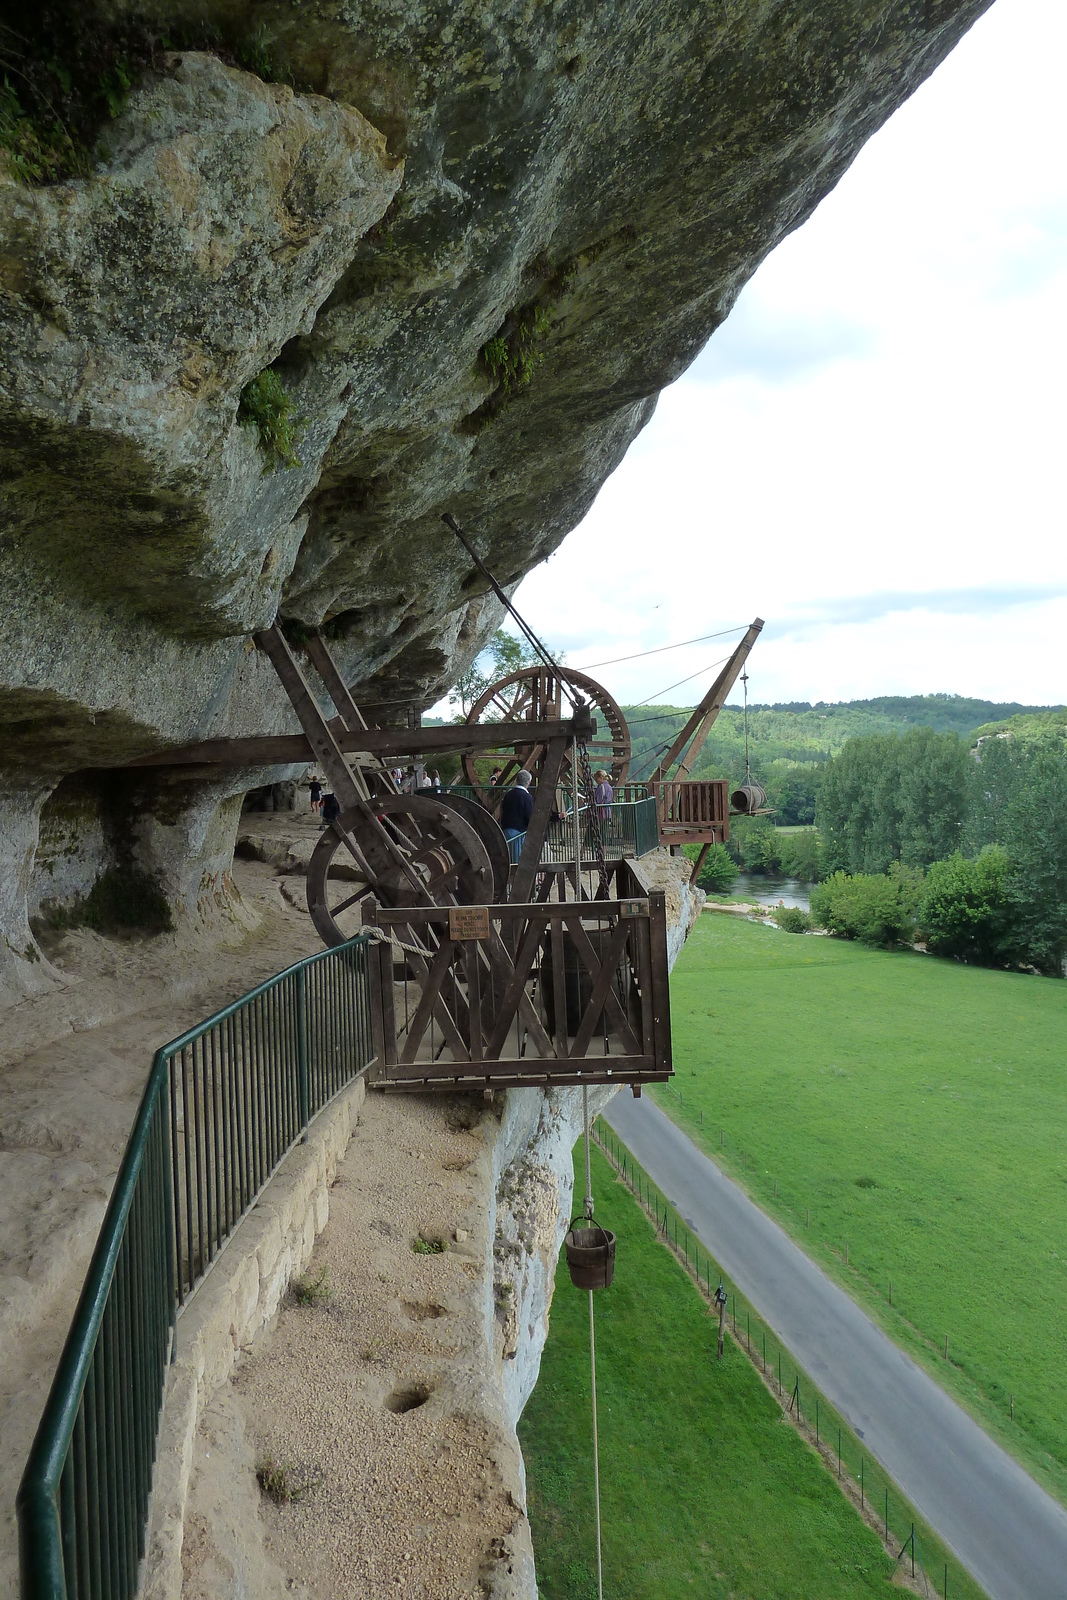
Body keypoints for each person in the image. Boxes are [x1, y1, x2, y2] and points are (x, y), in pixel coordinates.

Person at [499, 769, 534, 840]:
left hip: (505, 829)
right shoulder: (527, 797)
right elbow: (529, 815)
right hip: (519, 831)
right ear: (529, 782)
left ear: (517, 780)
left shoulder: (508, 794)